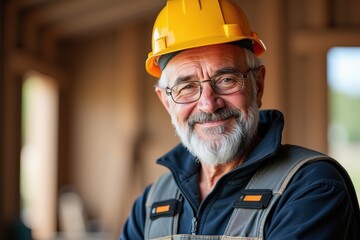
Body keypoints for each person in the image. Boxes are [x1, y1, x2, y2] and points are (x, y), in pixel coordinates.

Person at [120, 0, 360, 239]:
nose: (209, 104)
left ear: (258, 85)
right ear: (167, 102)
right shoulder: (150, 205)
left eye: (226, 80)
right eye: (187, 87)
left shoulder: (311, 187)